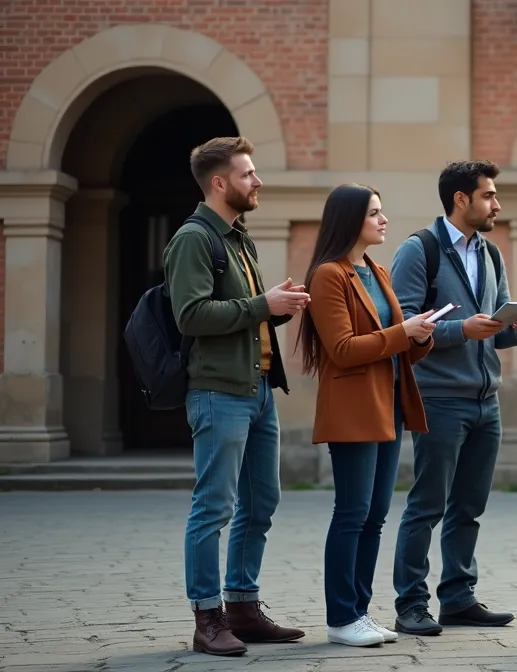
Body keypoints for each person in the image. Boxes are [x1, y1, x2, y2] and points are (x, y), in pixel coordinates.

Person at [388, 160, 517, 635]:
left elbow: (493, 335)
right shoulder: (419, 251)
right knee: (427, 505)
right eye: (488, 196)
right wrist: (462, 328)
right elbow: (406, 328)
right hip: (439, 399)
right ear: (461, 199)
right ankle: (410, 605)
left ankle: (458, 598)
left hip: (486, 400)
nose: (496, 204)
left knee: (469, 507)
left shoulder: (491, 253)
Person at [163, 136, 308, 656]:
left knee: (261, 502)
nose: (258, 181)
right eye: (248, 174)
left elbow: (245, 312)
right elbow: (192, 315)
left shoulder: (237, 237)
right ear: (220, 182)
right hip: (218, 393)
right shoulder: (193, 239)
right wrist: (261, 304)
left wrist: (275, 307)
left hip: (258, 390)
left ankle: (243, 608)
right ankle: (207, 619)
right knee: (213, 507)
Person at [297, 184, 436, 646]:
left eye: (382, 211)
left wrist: (419, 337)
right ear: (350, 218)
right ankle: (341, 617)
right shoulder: (328, 276)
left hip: (390, 403)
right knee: (353, 512)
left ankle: (359, 611)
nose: (383, 220)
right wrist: (403, 332)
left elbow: (394, 348)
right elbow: (341, 350)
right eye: (374, 213)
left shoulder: (376, 270)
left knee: (376, 514)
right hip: (354, 408)